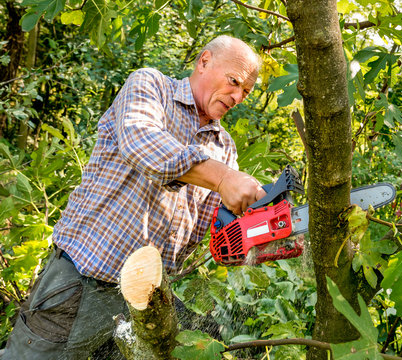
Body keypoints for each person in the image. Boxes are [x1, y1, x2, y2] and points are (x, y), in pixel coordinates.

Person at [3, 35, 266, 359]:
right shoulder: (151, 87)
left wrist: (256, 229)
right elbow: (144, 145)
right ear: (204, 61)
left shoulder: (224, 148)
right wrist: (224, 177)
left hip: (143, 306)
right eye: (234, 82)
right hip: (80, 284)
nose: (238, 96)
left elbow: (219, 220)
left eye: (246, 92)